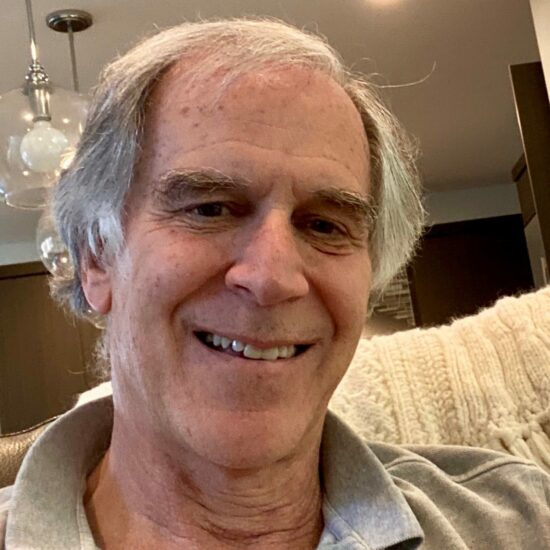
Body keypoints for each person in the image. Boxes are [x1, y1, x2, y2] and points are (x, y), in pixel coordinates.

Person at [1, 18, 549, 549]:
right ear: (96, 258)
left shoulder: (524, 520)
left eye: (324, 225)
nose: (272, 278)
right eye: (210, 209)